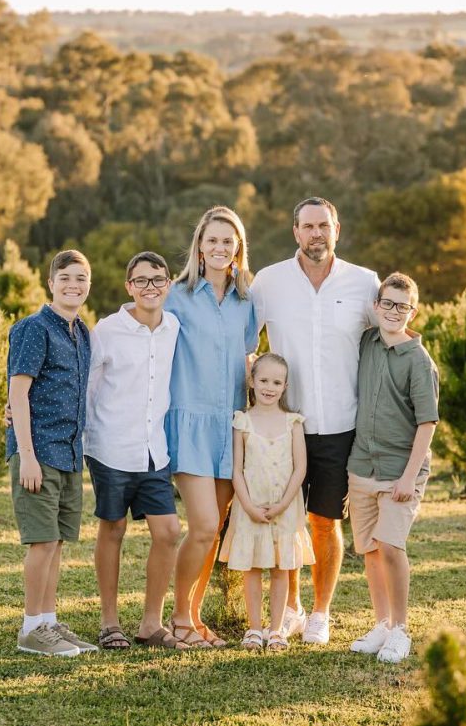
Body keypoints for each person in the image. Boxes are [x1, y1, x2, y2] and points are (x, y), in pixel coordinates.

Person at [249, 197, 380, 644]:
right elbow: (246, 345)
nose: (316, 234)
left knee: (326, 521)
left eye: (323, 225)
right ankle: (291, 609)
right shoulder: (269, 282)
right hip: (284, 427)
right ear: (295, 232)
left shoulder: (364, 283)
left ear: (336, 230)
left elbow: (386, 342)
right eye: (307, 226)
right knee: (286, 519)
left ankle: (321, 612)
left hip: (342, 424)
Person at [164, 206, 259, 648]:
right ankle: (179, 618)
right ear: (199, 246)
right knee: (202, 525)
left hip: (231, 427)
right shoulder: (176, 295)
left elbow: (248, 358)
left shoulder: (247, 301)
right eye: (213, 240)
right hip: (189, 422)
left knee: (214, 531)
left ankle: (195, 619)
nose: (220, 248)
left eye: (228, 241)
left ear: (237, 248)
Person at [84, 251, 189, 650]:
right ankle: (109, 622)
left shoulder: (173, 327)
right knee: (113, 529)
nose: (150, 287)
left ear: (167, 285)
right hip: (111, 446)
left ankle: (150, 624)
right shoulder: (108, 330)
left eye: (158, 280)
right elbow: (88, 387)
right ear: (129, 286)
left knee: (168, 532)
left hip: (153, 451)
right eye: (142, 280)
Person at [6, 249, 98, 657]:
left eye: (81, 278)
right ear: (51, 283)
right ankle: (30, 628)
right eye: (65, 278)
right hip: (38, 452)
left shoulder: (82, 332)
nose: (73, 285)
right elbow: (18, 393)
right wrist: (26, 454)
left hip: (68, 452)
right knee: (41, 542)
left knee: (57, 542)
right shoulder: (34, 328)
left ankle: (48, 621)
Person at [346, 272, 439, 663]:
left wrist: (407, 476)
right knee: (370, 550)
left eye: (402, 306)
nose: (393, 311)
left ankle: (400, 629)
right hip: (362, 466)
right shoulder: (367, 341)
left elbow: (427, 423)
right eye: (388, 303)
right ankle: (382, 623)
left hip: (401, 470)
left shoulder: (418, 359)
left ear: (412, 311)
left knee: (391, 545)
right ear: (376, 306)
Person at [219, 353, 313, 650]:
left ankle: (276, 630)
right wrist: (246, 505)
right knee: (253, 569)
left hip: (285, 509)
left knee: (281, 568)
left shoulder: (292, 422)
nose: (269, 387)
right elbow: (236, 469)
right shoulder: (242, 421)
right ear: (252, 381)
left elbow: (300, 468)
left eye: (276, 382)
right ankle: (254, 629)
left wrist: (284, 504)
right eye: (263, 380)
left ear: (285, 386)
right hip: (251, 507)